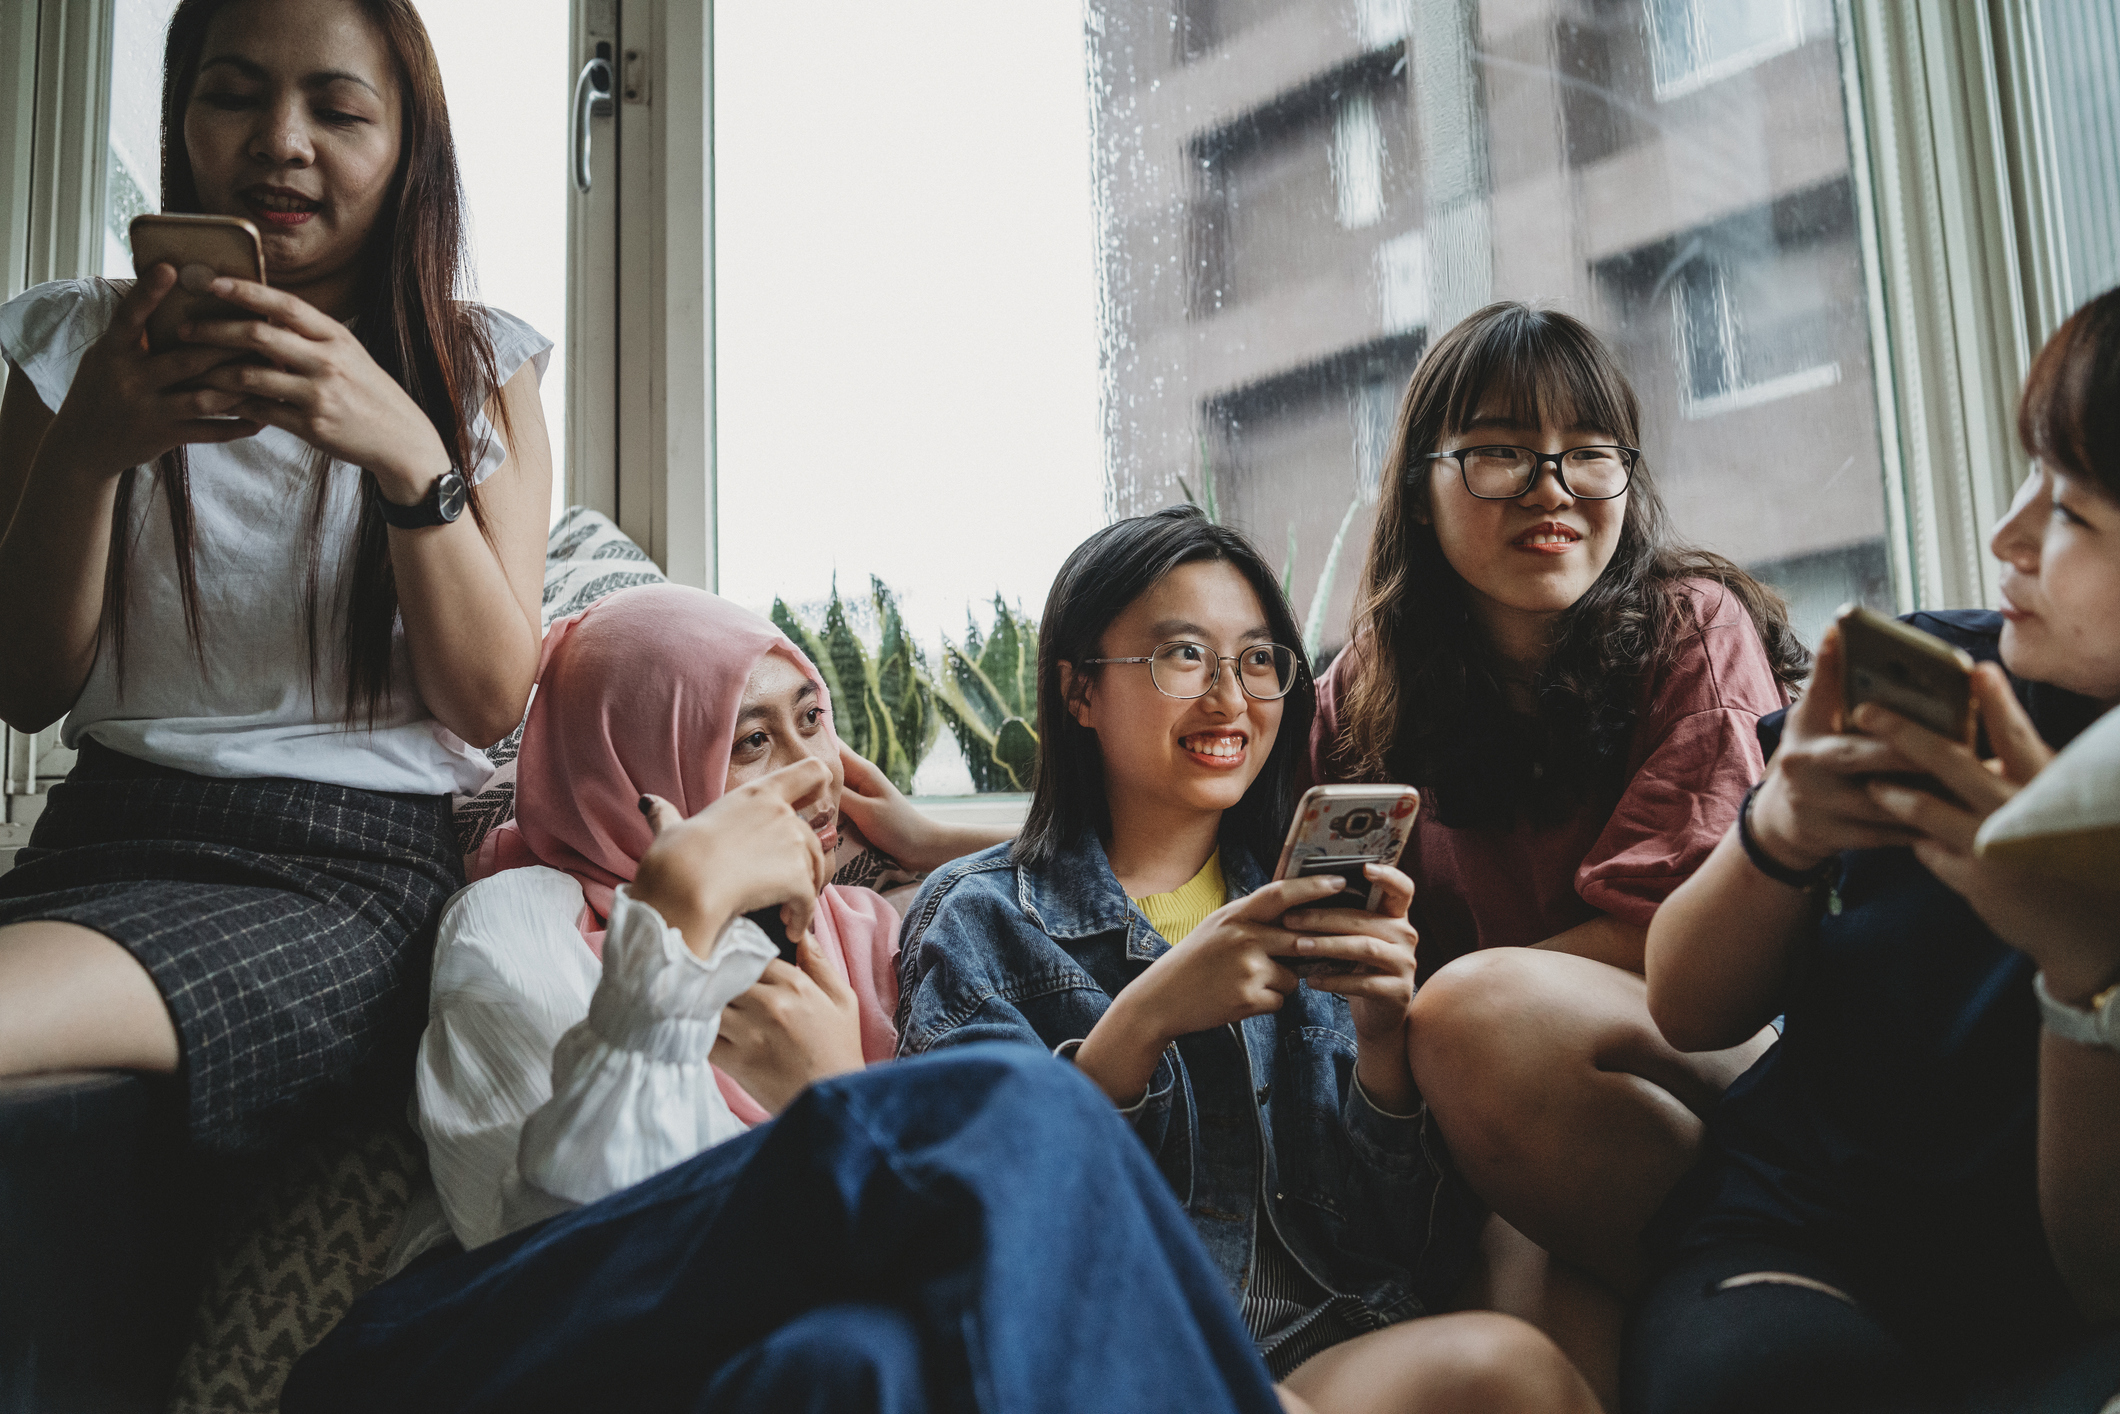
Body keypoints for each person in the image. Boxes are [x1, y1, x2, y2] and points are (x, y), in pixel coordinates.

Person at [282, 754, 1293, 1414]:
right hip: (460, 1357)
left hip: (751, 1364)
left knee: (856, 1367)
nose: (798, 776)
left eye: (811, 722)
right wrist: (670, 928)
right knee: (1018, 1107)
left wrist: (832, 1082)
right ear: (649, 762)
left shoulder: (871, 938)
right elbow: (563, 1241)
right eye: (749, 740)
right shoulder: (532, 922)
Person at [896, 505, 1601, 1413]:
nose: (1229, 698)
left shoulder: (1309, 903)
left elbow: (1407, 1257)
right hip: (1120, 1353)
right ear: (1078, 691)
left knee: (1516, 1359)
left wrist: (1388, 1051)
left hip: (1320, 1339)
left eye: (1258, 658)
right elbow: (966, 1225)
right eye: (1183, 655)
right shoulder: (978, 921)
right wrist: (1140, 1025)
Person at [0, 0, 549, 1151]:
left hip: (346, 871)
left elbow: (490, 700)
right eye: (234, 95)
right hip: (101, 833)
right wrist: (91, 448)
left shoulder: (476, 369)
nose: (281, 142)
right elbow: (24, 685)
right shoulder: (70, 347)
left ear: (408, 146)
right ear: (181, 114)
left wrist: (406, 450)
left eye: (338, 110)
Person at [1628, 291, 2120, 1412]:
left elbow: (2100, 1274)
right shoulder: (1942, 684)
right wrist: (1780, 832)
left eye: (2075, 514)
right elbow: (1686, 1007)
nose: (2007, 537)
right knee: (1754, 1378)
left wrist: (2083, 967)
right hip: (1807, 1238)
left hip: (2054, 1299)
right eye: (2026, 472)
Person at [1303, 302, 1808, 1389]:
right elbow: (1242, 834)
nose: (1551, 489)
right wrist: (960, 830)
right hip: (1503, 1116)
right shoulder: (1368, 684)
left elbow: (1672, 944)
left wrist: (1438, 1016)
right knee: (1537, 1340)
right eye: (1498, 453)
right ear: (1418, 486)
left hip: (1711, 1059)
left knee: (1469, 1021)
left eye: (1588, 454)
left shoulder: (1692, 626)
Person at [405, 583, 1008, 1260]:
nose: (815, 773)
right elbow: (560, 1267)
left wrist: (933, 842)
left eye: (812, 720)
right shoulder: (519, 933)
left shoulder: (862, 924)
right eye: (752, 741)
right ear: (633, 775)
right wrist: (830, 1102)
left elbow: (984, 1210)